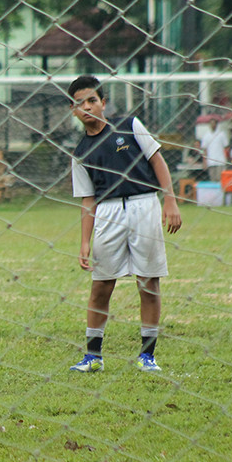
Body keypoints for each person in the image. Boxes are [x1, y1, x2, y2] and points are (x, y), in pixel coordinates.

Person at [67, 75, 182, 374]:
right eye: (80, 103)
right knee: (102, 285)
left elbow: (157, 160)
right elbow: (87, 200)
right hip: (107, 213)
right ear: (73, 110)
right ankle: (93, 356)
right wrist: (84, 241)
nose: (87, 107)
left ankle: (147, 355)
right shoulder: (79, 153)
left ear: (103, 103)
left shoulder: (130, 126)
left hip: (144, 204)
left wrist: (169, 201)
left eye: (92, 100)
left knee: (148, 281)